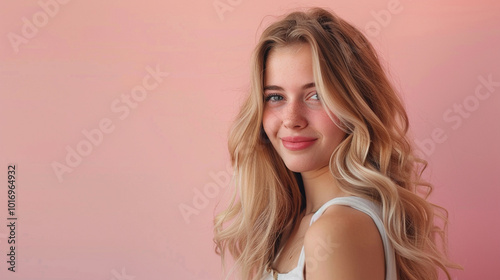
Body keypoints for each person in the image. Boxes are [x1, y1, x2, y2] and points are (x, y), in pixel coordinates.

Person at [213, 7, 459, 280]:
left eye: (315, 95)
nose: (292, 119)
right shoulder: (290, 225)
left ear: (355, 105)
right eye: (275, 97)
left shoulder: (335, 231)